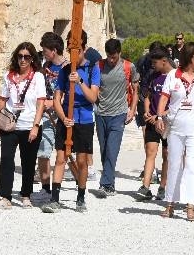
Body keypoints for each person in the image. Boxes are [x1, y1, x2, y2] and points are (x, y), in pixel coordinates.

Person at [153, 42, 194, 222]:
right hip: (175, 127)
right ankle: (170, 203)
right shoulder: (173, 75)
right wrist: (159, 117)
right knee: (174, 163)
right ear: (189, 57)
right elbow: (164, 98)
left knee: (193, 165)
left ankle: (191, 205)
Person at [44, 31, 102, 213]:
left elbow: (93, 97)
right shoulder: (64, 70)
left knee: (83, 160)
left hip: (84, 118)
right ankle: (55, 199)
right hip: (67, 117)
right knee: (60, 158)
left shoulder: (93, 69)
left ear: (83, 47)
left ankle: (81, 197)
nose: (72, 53)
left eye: (76, 49)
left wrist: (80, 81)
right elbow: (57, 98)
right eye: (70, 49)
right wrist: (63, 118)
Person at [0, 42, 47, 209]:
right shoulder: (8, 76)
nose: (23, 60)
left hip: (30, 125)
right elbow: (3, 99)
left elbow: (41, 103)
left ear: (32, 59)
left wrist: (36, 126)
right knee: (6, 160)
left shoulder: (38, 77)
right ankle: (5, 197)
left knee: (28, 162)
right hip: (10, 125)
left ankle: (25, 195)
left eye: (27, 57)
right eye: (20, 56)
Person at [95, 38, 138, 197]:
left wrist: (132, 110)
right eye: (109, 56)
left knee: (112, 150)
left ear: (119, 53)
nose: (111, 60)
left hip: (119, 113)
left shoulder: (129, 67)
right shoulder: (98, 66)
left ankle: (105, 184)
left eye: (114, 57)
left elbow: (135, 90)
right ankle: (110, 182)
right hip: (101, 114)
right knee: (104, 150)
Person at [135, 46, 172, 201]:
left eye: (155, 63)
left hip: (168, 122)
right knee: (150, 152)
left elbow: (177, 103)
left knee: (166, 155)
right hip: (152, 120)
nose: (153, 66)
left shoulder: (175, 77)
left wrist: (160, 116)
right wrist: (146, 111)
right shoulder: (153, 76)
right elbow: (148, 95)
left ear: (164, 61)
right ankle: (145, 186)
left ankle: (163, 187)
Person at [36, 32, 66, 197]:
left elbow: (70, 93)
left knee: (66, 153)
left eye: (46, 50)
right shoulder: (44, 67)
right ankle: (46, 188)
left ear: (54, 50)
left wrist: (55, 103)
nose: (44, 53)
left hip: (62, 115)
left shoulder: (67, 67)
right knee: (43, 151)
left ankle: (78, 187)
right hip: (47, 116)